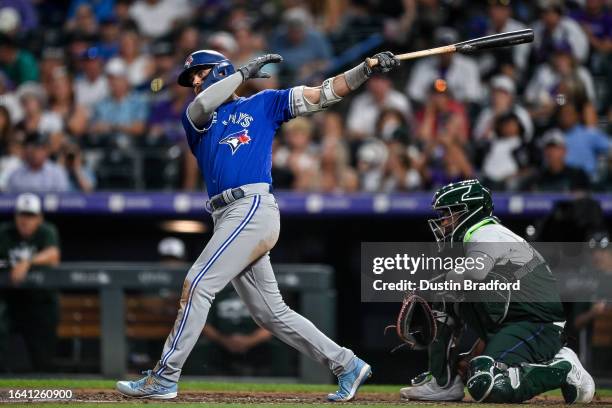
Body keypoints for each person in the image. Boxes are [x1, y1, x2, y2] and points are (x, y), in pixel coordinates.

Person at [116, 48, 402, 401]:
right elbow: (203, 104)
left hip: (251, 206)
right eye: (191, 78)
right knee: (271, 314)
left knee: (198, 284)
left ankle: (164, 377)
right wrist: (241, 74)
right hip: (226, 215)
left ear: (220, 71)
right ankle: (347, 364)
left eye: (200, 74)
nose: (194, 82)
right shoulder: (198, 117)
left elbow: (324, 93)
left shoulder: (265, 102)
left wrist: (365, 68)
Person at [399, 179, 595, 404]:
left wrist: (434, 284)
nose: (443, 220)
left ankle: (563, 367)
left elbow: (476, 273)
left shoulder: (488, 232)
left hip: (538, 324)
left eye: (449, 213)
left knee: (486, 382)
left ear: (470, 212)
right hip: (512, 322)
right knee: (446, 297)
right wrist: (473, 355)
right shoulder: (473, 240)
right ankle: (443, 381)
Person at [0, 193, 61, 372]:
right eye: (22, 215)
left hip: (40, 302)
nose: (25, 221)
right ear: (16, 216)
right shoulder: (5, 232)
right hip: (11, 301)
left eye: (31, 216)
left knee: (43, 359)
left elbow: (53, 255)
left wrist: (27, 262)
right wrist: (9, 264)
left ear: (39, 218)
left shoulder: (46, 231)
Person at [521, 129, 590, 192]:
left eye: (555, 148)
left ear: (564, 151)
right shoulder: (536, 178)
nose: (551, 152)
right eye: (548, 148)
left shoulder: (578, 175)